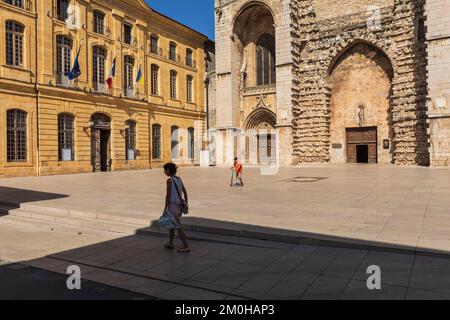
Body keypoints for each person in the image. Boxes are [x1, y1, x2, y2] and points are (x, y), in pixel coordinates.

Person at [163, 162, 190, 253]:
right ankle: (170, 243)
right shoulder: (179, 179)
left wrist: (165, 207)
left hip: (172, 206)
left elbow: (168, 195)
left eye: (165, 170)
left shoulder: (169, 180)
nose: (164, 172)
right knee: (172, 224)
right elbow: (185, 192)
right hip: (178, 206)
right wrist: (186, 203)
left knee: (178, 227)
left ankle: (186, 246)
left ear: (169, 170)